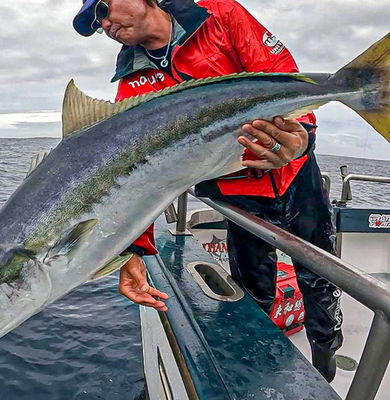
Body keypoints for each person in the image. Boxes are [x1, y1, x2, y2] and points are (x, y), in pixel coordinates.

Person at [72, 0, 343, 382]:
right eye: (95, 23)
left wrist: (302, 139)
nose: (103, 24)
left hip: (297, 176)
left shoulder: (221, 16)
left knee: (321, 280)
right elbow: (138, 178)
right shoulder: (132, 86)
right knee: (253, 287)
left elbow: (281, 80)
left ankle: (325, 356)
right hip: (237, 196)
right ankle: (256, 374)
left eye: (102, 8)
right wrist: (134, 247)